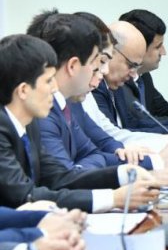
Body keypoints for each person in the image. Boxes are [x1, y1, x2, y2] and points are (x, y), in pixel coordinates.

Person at [0, 34, 162, 212]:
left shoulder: (28, 126)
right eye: (48, 81)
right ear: (23, 90)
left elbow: (60, 177)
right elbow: (24, 196)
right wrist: (113, 198)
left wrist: (124, 174)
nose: (54, 88)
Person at [26, 11, 155, 171]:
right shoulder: (42, 111)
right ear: (73, 65)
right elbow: (65, 177)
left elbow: (94, 149)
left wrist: (120, 152)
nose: (103, 70)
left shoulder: (68, 102)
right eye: (98, 61)